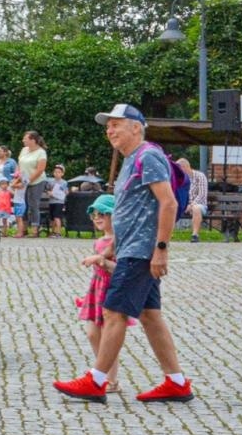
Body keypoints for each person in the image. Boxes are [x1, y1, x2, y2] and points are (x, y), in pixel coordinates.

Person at [53, 104, 193, 404]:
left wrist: (161, 249)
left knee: (114, 311)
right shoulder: (131, 160)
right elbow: (131, 211)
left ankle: (97, 380)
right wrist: (115, 245)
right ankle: (177, 382)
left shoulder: (148, 156)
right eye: (108, 126)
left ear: (136, 128)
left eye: (116, 124)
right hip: (130, 248)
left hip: (142, 251)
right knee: (149, 315)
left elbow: (167, 204)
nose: (110, 130)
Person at [73, 194, 120, 392]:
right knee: (92, 333)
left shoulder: (120, 240)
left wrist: (102, 261)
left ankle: (111, 379)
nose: (98, 218)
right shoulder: (100, 241)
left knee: (109, 335)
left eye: (102, 214)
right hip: (97, 289)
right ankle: (101, 368)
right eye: (94, 215)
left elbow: (120, 269)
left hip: (112, 290)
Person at [18, 131, 49, 237]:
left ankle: (35, 229)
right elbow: (20, 165)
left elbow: (40, 170)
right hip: (24, 181)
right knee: (24, 205)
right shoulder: (24, 150)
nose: (23, 140)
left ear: (33, 140)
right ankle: (24, 229)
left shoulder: (41, 153)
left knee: (33, 205)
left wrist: (27, 181)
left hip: (37, 181)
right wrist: (18, 179)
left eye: (25, 138)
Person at [174, 156, 208, 242]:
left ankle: (195, 235)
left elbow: (202, 195)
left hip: (199, 205)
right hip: (183, 205)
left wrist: (191, 205)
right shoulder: (179, 178)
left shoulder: (200, 176)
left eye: (179, 169)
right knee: (168, 207)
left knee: (196, 208)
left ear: (184, 167)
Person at [46, 164, 69, 237]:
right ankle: (53, 232)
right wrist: (49, 192)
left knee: (57, 217)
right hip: (52, 201)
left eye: (59, 172)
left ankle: (58, 232)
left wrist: (66, 192)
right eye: (55, 172)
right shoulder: (51, 182)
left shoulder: (64, 182)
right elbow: (48, 189)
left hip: (59, 202)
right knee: (52, 218)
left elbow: (66, 191)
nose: (57, 174)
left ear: (62, 174)